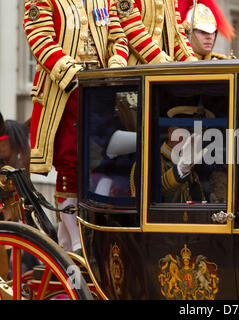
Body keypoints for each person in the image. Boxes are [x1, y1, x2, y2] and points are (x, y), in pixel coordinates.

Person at [23, 0, 129, 254]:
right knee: (71, 163)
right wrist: (76, 77)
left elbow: (118, 37)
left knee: (105, 161)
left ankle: (71, 239)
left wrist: (115, 67)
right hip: (65, 92)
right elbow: (40, 39)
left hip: (102, 91)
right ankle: (76, 239)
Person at [116, 0, 198, 65]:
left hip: (165, 69)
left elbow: (177, 33)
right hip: (137, 69)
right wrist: (161, 62)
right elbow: (132, 29)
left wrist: (191, 60)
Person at [160, 106, 214, 203]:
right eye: (188, 131)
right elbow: (148, 195)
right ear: (171, 132)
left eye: (198, 134)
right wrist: (181, 169)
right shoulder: (149, 161)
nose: (193, 139)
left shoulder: (197, 165)